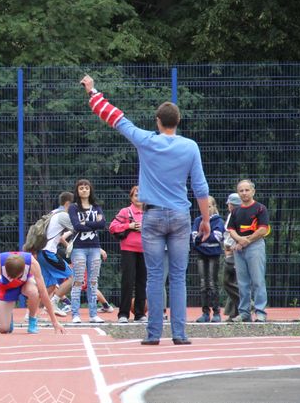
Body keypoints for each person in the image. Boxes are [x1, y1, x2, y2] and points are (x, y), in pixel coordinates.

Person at [82, 75, 210, 346]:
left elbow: (116, 118)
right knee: (178, 277)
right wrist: (206, 220)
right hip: (180, 215)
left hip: (151, 215)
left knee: (154, 276)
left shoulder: (146, 141)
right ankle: (179, 334)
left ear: (158, 121)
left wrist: (93, 92)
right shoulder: (190, 147)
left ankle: (153, 334)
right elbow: (200, 187)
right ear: (178, 121)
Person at [0, 252, 66, 334]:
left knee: (34, 292)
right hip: (7, 287)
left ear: (23, 270)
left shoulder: (33, 263)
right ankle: (9, 316)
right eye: (10, 276)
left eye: (17, 277)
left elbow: (43, 292)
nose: (14, 279)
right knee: (3, 329)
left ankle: (32, 319)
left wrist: (55, 322)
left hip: (26, 283)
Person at [226, 179, 270, 322]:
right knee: (242, 282)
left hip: (255, 247)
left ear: (253, 191)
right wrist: (240, 240)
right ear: (238, 193)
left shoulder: (260, 208)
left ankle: (260, 312)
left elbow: (263, 229)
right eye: (241, 190)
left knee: (258, 280)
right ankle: (244, 312)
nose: (244, 193)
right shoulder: (235, 211)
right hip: (239, 249)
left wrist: (246, 241)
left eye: (247, 190)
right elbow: (231, 229)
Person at [67, 179, 107, 324]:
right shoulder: (73, 208)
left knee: (93, 281)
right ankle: (75, 314)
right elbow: (77, 226)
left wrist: (86, 223)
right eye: (81, 188)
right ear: (77, 191)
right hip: (79, 248)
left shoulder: (96, 207)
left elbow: (102, 224)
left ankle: (93, 314)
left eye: (86, 188)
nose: (84, 190)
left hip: (95, 247)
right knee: (78, 280)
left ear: (90, 190)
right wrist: (93, 224)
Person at [109, 186, 146, 323]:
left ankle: (140, 314)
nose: (138, 198)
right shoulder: (125, 211)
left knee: (142, 282)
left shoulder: (149, 212)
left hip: (146, 250)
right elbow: (112, 227)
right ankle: (123, 314)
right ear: (131, 197)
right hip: (128, 250)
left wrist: (145, 228)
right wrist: (128, 226)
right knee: (127, 281)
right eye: (136, 195)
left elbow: (158, 228)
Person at [36, 191, 75, 317]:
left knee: (51, 286)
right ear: (68, 203)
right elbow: (78, 229)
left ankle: (31, 313)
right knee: (73, 277)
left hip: (41, 252)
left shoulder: (53, 212)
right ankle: (53, 303)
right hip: (48, 253)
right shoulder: (63, 215)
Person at [192, 196, 225, 322]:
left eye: (209, 206)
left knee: (212, 283)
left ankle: (216, 313)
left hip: (214, 255)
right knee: (203, 284)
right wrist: (203, 236)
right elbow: (194, 239)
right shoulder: (197, 220)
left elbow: (217, 237)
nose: (206, 209)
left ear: (214, 207)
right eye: (203, 207)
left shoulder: (218, 221)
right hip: (201, 255)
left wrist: (203, 235)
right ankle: (205, 313)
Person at [222, 193, 242, 319]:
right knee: (233, 281)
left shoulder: (235, 215)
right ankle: (234, 312)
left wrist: (228, 247)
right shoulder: (232, 215)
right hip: (231, 250)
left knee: (227, 281)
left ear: (231, 205)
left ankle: (247, 303)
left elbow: (231, 234)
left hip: (233, 251)